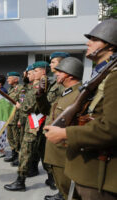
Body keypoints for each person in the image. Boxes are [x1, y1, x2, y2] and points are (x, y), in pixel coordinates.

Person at [44, 19, 117, 200]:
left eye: (95, 39)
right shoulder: (102, 74)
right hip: (85, 171)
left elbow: (111, 127)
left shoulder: (114, 76)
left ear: (111, 45)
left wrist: (65, 134)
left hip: (98, 177)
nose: (88, 42)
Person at [40, 57, 83, 200]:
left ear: (70, 74)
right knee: (63, 191)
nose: (55, 74)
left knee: (70, 194)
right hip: (56, 153)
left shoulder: (79, 96)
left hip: (64, 155)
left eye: (59, 71)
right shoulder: (67, 93)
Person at [4, 61, 49, 191]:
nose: (32, 74)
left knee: (26, 152)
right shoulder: (32, 86)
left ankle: (20, 181)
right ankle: (51, 179)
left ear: (43, 72)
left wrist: (20, 106)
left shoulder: (42, 86)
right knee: (40, 152)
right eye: (31, 72)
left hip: (36, 123)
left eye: (35, 71)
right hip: (32, 123)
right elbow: (26, 91)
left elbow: (29, 105)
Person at [36, 52, 70, 192]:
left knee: (59, 160)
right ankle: (54, 181)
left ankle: (60, 189)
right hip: (49, 124)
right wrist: (40, 95)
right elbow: (47, 109)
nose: (50, 65)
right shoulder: (53, 82)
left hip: (59, 127)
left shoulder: (64, 84)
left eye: (53, 62)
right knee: (46, 155)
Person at [3, 72, 22, 166]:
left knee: (17, 138)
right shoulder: (10, 89)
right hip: (10, 117)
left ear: (16, 79)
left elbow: (21, 105)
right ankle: (14, 154)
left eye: (9, 78)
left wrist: (20, 119)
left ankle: (19, 157)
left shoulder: (21, 89)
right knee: (10, 138)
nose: (7, 80)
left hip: (16, 118)